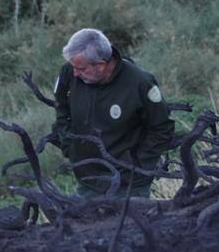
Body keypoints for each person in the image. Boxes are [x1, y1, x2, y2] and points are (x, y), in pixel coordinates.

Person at [51, 28, 174, 198]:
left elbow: (162, 128)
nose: (75, 73)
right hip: (88, 178)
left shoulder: (140, 83)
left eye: (81, 69)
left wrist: (137, 165)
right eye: (73, 67)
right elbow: (61, 107)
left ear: (101, 65)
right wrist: (69, 145)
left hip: (129, 185)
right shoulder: (70, 72)